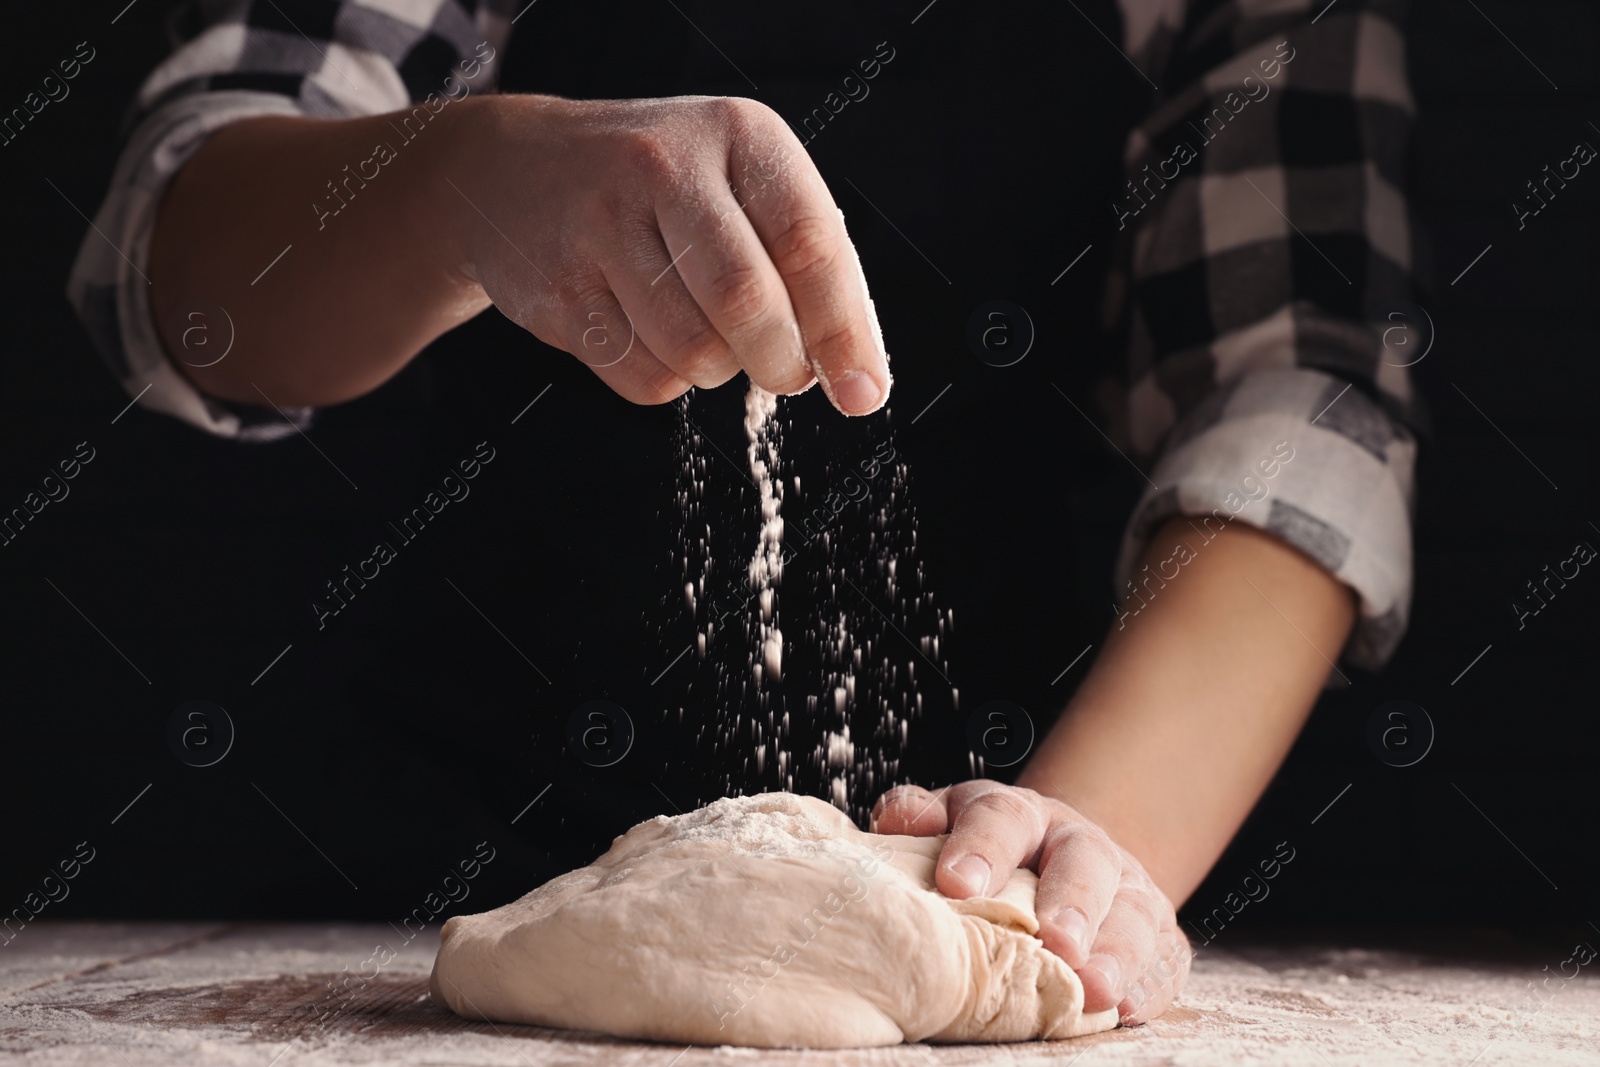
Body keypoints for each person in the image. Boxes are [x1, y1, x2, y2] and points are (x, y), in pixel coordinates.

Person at [67, 0, 1421, 1027]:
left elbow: (1300, 398)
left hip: (983, 806)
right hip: (449, 869)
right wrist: (462, 179)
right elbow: (181, 264)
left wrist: (1064, 868)